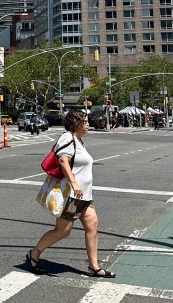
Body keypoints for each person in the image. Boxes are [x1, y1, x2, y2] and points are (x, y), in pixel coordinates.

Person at [25, 110, 115, 278]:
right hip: (73, 196)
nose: (88, 125)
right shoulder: (67, 138)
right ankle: (34, 253)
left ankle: (94, 266)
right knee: (63, 231)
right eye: (85, 122)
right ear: (76, 124)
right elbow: (62, 160)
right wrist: (74, 183)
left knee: (92, 226)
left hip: (85, 195)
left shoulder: (79, 141)